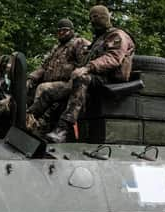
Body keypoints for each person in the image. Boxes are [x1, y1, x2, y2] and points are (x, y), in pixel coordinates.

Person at [44, 5, 135, 143]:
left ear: (106, 16)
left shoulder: (117, 35)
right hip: (96, 77)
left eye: (96, 17)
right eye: (91, 17)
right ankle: (35, 123)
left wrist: (87, 68)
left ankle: (63, 129)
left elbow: (113, 58)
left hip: (110, 79)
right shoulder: (98, 39)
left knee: (82, 78)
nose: (93, 20)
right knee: (51, 91)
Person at [26, 19, 90, 133]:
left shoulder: (78, 43)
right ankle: (27, 120)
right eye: (59, 31)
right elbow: (43, 67)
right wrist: (31, 78)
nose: (62, 33)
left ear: (72, 31)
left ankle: (39, 123)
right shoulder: (56, 48)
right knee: (29, 88)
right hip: (53, 82)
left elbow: (84, 63)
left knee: (43, 88)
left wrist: (75, 79)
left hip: (69, 83)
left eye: (65, 30)